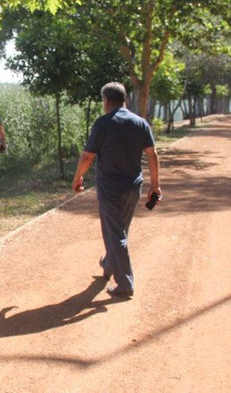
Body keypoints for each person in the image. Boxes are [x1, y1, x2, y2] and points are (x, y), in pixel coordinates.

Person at [71, 82, 161, 299]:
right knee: (119, 231)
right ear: (124, 100)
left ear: (106, 101)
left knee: (116, 234)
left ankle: (125, 283)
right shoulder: (140, 123)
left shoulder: (103, 123)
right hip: (133, 187)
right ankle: (109, 264)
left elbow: (88, 156)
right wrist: (155, 185)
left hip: (110, 188)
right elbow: (152, 155)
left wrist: (77, 177)